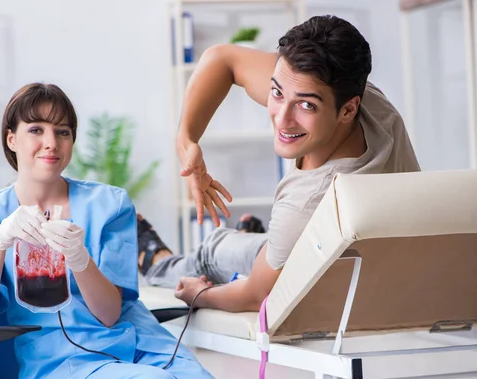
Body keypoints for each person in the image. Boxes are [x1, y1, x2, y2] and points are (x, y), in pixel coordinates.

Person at [0, 83, 229, 379]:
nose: (51, 143)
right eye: (36, 129)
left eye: (62, 132)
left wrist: (80, 259)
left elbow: (110, 313)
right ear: (11, 138)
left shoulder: (110, 204)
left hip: (140, 341)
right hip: (62, 359)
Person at [138, 15, 421, 312]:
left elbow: (254, 296)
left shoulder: (308, 202)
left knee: (212, 251)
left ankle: (157, 261)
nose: (281, 119)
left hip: (325, 288)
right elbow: (223, 59)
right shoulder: (368, 101)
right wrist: (187, 143)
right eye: (276, 92)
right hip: (367, 271)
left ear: (348, 109)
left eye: (306, 105)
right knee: (257, 247)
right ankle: (253, 244)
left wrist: (199, 294)